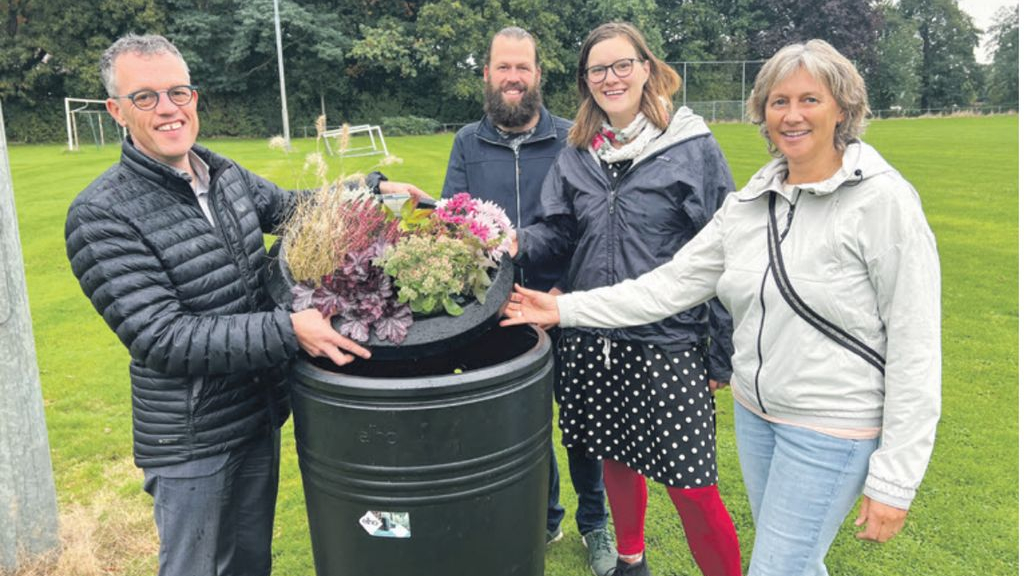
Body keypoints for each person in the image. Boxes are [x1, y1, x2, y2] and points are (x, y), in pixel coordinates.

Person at [503, 38, 942, 576]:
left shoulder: (876, 199)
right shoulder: (742, 197)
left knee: (735, 526)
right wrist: (542, 283)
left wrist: (895, 477)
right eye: (779, 101)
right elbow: (652, 273)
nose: (792, 115)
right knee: (788, 558)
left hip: (750, 382)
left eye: (810, 100)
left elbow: (913, 343)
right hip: (692, 381)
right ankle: (630, 558)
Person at [64, 33, 421, 576]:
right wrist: (288, 330)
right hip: (190, 441)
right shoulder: (100, 214)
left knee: (250, 563)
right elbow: (161, 337)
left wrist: (372, 189)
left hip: (255, 414)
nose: (168, 109)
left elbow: (297, 209)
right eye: (146, 98)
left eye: (178, 92)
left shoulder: (222, 174)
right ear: (116, 111)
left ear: (194, 98)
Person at [509, 22, 741, 576]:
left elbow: (728, 249)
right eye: (597, 69)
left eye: (621, 65)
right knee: (613, 456)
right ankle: (630, 562)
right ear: (585, 81)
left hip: (669, 339)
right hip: (591, 335)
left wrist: (721, 347)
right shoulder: (577, 154)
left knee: (692, 486)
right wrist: (513, 239)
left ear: (646, 67)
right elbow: (559, 233)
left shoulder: (691, 146)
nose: (610, 78)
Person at [441, 26, 617, 576]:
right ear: (488, 75)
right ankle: (544, 515)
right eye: (503, 67)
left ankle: (595, 524)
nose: (513, 77)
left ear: (539, 74)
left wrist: (569, 289)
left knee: (584, 424)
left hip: (567, 303)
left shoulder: (573, 137)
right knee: (520, 423)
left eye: (523, 67)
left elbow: (595, 225)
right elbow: (454, 221)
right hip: (499, 313)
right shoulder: (468, 142)